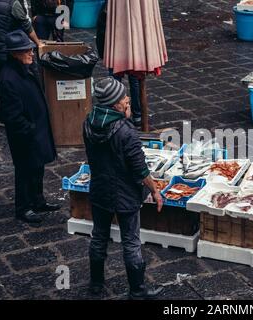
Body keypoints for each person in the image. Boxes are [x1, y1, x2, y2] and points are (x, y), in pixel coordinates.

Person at [83, 77, 164, 299]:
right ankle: (137, 291)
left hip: (99, 190)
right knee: (131, 242)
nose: (127, 98)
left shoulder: (89, 122)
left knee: (99, 236)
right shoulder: (125, 132)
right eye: (123, 98)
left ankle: (96, 284)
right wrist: (155, 191)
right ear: (114, 104)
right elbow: (141, 170)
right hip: (124, 194)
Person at [0, 30, 59, 224]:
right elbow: (12, 116)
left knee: (37, 167)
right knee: (25, 170)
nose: (32, 53)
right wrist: (30, 129)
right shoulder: (8, 79)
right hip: (25, 135)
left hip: (36, 129)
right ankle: (23, 208)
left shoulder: (26, 68)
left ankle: (38, 201)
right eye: (27, 51)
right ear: (15, 53)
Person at [95, 0, 143, 127]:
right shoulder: (135, 8)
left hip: (115, 49)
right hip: (131, 49)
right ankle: (137, 115)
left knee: (115, 81)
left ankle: (115, 115)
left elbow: (101, 31)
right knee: (134, 81)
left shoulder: (110, 7)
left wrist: (103, 53)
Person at [0, 0, 43, 77]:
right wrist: (38, 43)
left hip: (0, 49)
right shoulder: (12, 3)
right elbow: (27, 26)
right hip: (7, 49)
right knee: (11, 76)